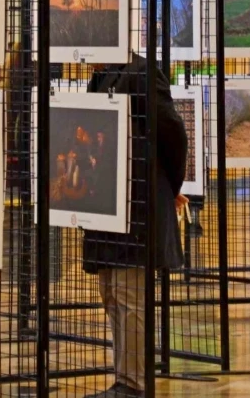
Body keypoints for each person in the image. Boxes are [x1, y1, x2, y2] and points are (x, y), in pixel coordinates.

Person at [83, 53, 189, 398]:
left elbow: (172, 133)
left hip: (137, 203)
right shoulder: (102, 74)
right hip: (106, 202)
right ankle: (124, 379)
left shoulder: (143, 72)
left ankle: (133, 384)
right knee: (111, 293)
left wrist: (167, 186)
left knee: (129, 295)